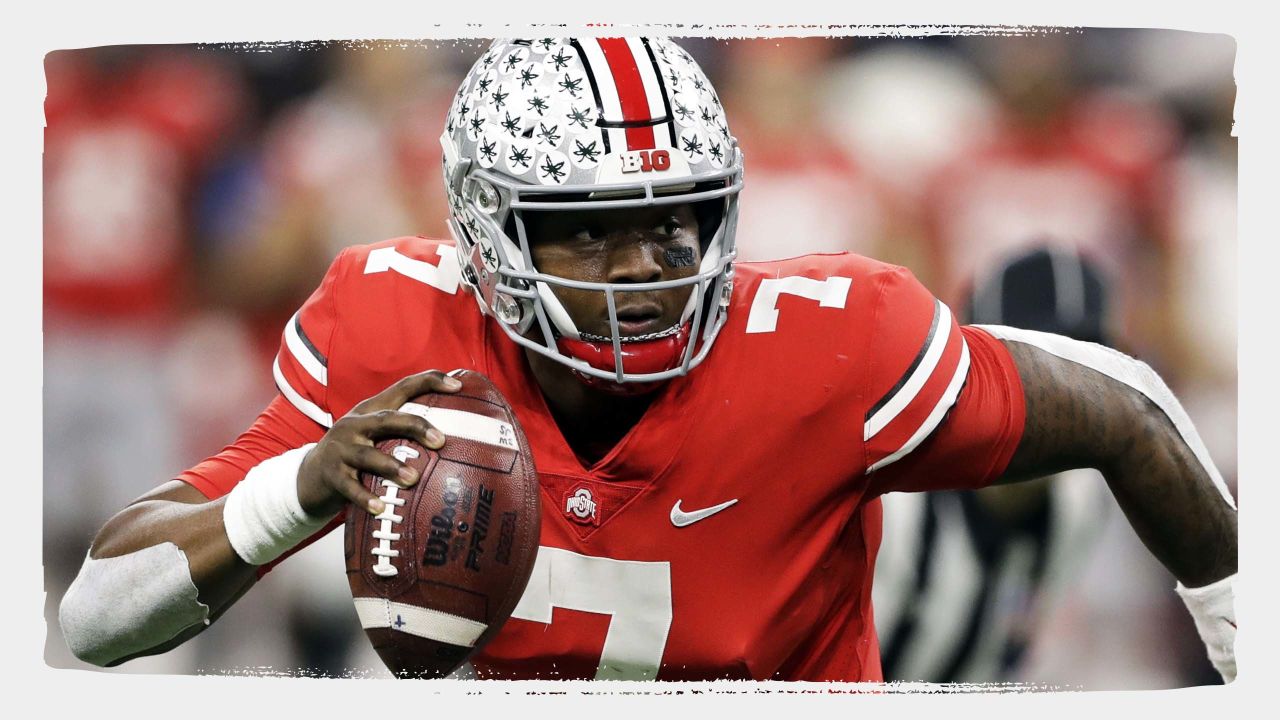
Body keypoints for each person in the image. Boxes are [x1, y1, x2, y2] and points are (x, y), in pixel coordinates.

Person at [58, 37, 1237, 683]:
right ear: (484, 230)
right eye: (585, 227)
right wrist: (299, 489)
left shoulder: (827, 337)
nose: (644, 263)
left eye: (673, 218)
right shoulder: (391, 329)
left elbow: (1125, 407)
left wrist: (1250, 658)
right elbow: (101, 617)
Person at [874, 243, 1116, 684]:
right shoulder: (886, 498)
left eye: (1086, 371)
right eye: (1035, 365)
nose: (1064, 397)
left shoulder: (1080, 504)